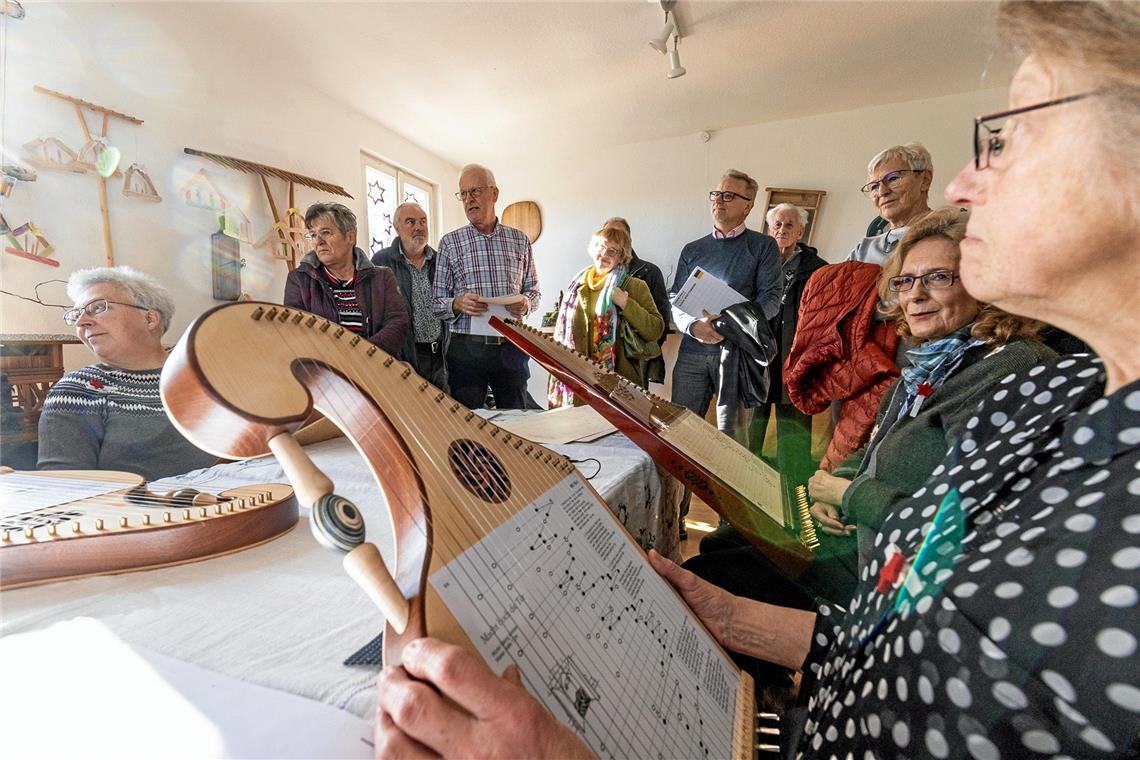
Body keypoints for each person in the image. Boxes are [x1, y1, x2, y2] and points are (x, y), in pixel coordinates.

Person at [374, 3, 1140, 755]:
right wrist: (734, 621)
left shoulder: (1045, 407)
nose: (966, 186)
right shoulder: (1057, 396)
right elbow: (916, 641)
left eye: (1008, 138)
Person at [37, 266, 216, 481]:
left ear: (150, 319)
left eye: (98, 308)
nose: (81, 321)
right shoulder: (77, 389)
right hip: (139, 513)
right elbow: (62, 486)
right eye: (76, 314)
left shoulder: (211, 377)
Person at [432, 164, 540, 410]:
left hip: (511, 346)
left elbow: (533, 290)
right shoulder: (450, 243)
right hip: (466, 351)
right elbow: (436, 302)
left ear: (494, 194)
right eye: (463, 194)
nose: (468, 200)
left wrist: (526, 304)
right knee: (469, 423)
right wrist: (457, 303)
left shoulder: (519, 240)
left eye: (475, 191)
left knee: (517, 421)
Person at [748, 203, 827, 500]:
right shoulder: (755, 264)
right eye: (777, 225)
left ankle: (794, 504)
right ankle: (748, 499)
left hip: (795, 361)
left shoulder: (818, 269)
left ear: (801, 231)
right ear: (769, 229)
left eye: (789, 225)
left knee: (793, 439)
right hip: (756, 361)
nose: (782, 230)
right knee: (749, 435)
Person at [548, 226, 663, 406]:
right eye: (600, 247)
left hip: (618, 385)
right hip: (577, 382)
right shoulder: (576, 286)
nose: (604, 254)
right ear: (592, 249)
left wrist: (626, 304)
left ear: (622, 257)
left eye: (612, 250)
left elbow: (655, 330)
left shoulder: (634, 286)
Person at [284, 202, 408, 356]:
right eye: (313, 235)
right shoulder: (299, 279)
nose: (318, 241)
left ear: (350, 237)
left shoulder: (382, 277)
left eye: (326, 233)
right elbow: (295, 330)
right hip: (324, 369)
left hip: (373, 368)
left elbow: (397, 322)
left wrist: (362, 354)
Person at [372, 202, 449, 391]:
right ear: (397, 228)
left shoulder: (441, 261)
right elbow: (374, 314)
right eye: (411, 222)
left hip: (442, 358)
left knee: (443, 415)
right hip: (406, 358)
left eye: (423, 221)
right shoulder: (381, 262)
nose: (419, 227)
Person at [602, 216, 670, 388]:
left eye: (620, 235)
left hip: (635, 359)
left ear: (629, 241)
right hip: (600, 359)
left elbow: (660, 321)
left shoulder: (649, 272)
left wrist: (643, 351)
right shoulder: (592, 278)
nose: (614, 240)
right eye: (609, 235)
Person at [846, 142, 934, 266]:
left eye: (893, 179)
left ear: (925, 180)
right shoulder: (862, 251)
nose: (882, 192)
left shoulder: (953, 234)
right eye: (874, 186)